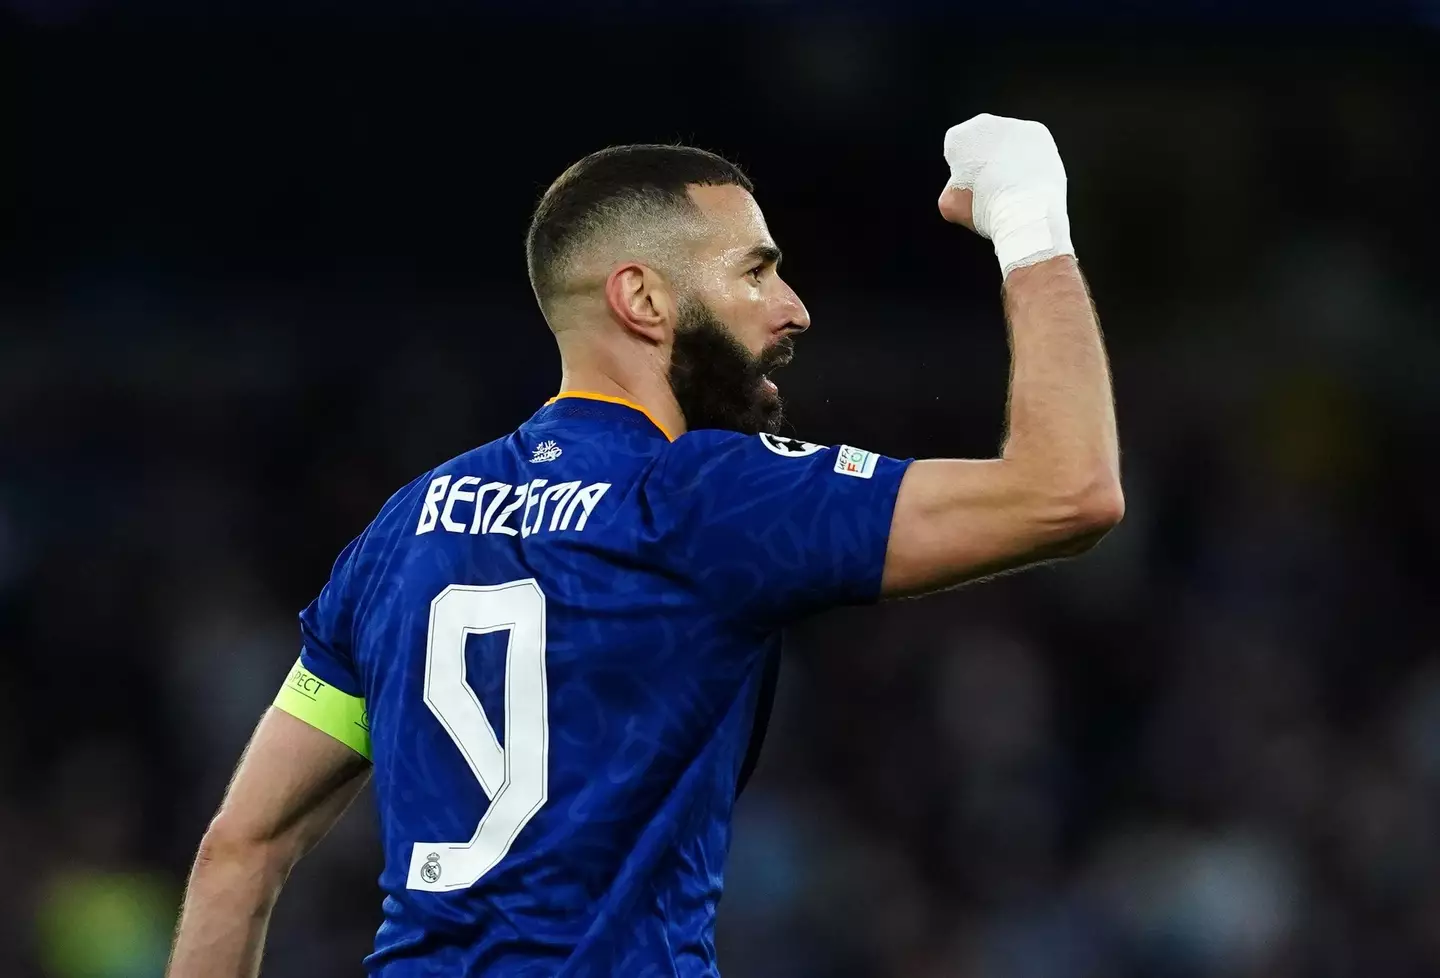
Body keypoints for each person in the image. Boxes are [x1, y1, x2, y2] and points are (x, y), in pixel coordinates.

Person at [166, 113, 1122, 977]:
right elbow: (1069, 491)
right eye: (755, 269)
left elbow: (237, 853)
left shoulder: (402, 530)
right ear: (644, 301)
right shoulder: (700, 496)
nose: (792, 307)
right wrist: (1031, 218)